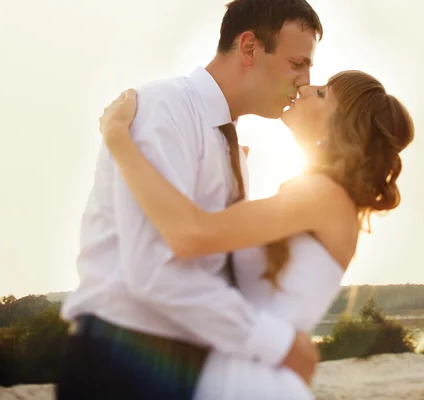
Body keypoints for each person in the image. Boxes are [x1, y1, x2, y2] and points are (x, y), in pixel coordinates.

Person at [56, 1, 324, 399]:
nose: (304, 81)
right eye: (297, 63)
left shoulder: (229, 142)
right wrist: (274, 342)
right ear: (249, 48)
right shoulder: (166, 108)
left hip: (185, 362)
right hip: (124, 361)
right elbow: (154, 270)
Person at [98, 69, 415, 399]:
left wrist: (119, 140)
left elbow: (189, 234)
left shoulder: (321, 196)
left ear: (343, 126)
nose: (307, 88)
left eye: (322, 94)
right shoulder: (324, 199)